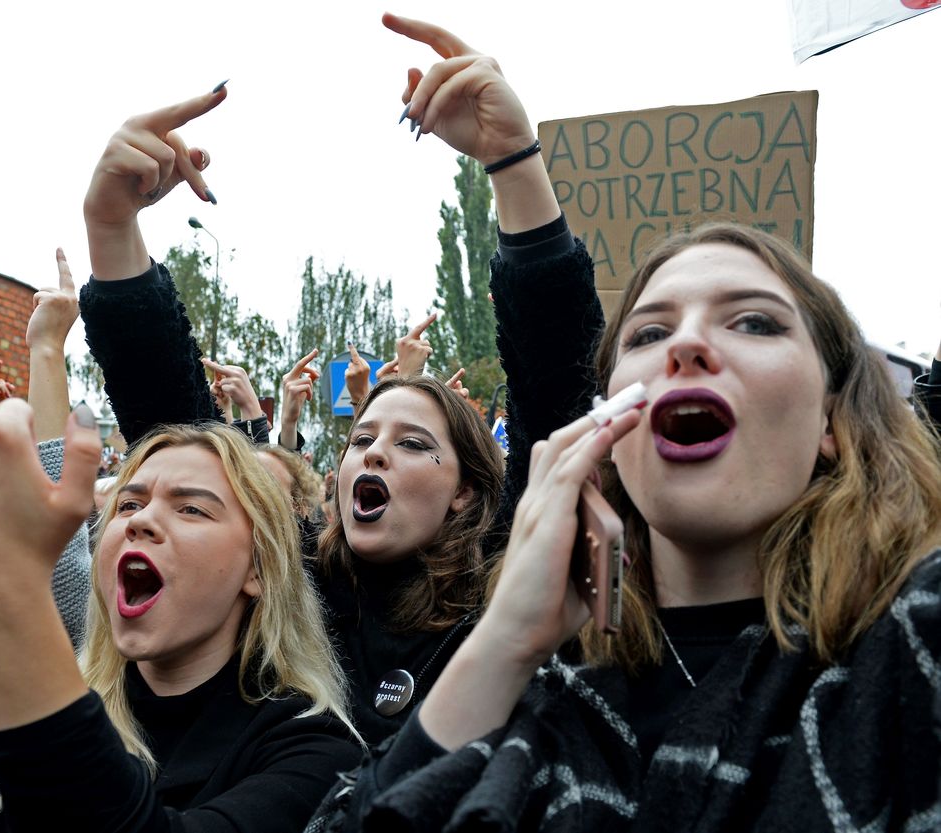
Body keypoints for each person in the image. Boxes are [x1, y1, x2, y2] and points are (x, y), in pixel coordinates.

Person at [77, 13, 604, 743]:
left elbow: (556, 382)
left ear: (467, 495)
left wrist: (514, 160)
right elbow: (183, 434)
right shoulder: (295, 583)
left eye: (414, 444)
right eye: (361, 439)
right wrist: (111, 228)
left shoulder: (508, 583)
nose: (372, 454)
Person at [314, 220, 941, 832]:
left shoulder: (916, 630)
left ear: (831, 420)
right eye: (648, 334)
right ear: (608, 425)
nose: (685, 346)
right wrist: (503, 645)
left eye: (753, 322)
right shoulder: (538, 675)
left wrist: (513, 166)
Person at [0, 244, 360, 832]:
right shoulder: (63, 687)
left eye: (192, 509)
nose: (141, 521)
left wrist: (11, 593)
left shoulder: (314, 754)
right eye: (129, 501)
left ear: (260, 569)